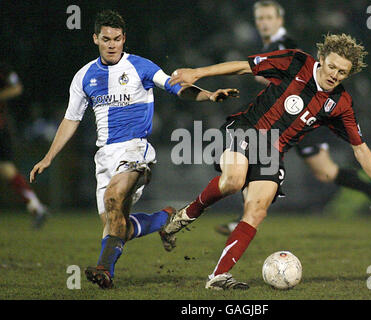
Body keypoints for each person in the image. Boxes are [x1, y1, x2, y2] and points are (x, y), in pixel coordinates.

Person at [161, 33, 371, 290]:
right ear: (321, 58)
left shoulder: (340, 103)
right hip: (247, 127)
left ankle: (218, 277)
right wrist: (198, 73)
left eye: (343, 72)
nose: (335, 75)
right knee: (233, 181)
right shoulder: (296, 61)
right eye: (332, 66)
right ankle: (185, 216)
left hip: (273, 151)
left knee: (257, 209)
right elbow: (245, 66)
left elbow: (360, 148)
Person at [29, 10, 238, 289]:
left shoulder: (141, 67)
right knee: (118, 228)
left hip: (135, 149)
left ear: (124, 38)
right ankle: (163, 218)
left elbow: (177, 87)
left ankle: (105, 270)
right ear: (95, 39)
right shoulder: (83, 77)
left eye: (117, 39)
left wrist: (209, 95)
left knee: (115, 197)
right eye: (106, 39)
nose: (112, 44)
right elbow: (71, 119)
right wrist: (48, 157)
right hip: (104, 155)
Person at [215, 1, 371, 236]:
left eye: (269, 17)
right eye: (260, 18)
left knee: (325, 172)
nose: (263, 23)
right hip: (275, 122)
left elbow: (302, 77)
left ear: (279, 20)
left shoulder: (285, 45)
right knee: (301, 168)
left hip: (299, 120)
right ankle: (245, 217)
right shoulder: (265, 43)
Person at [0, 63, 49, 228]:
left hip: (1, 127)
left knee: (7, 168)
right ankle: (35, 205)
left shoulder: (3, 69)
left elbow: (17, 88)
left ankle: (35, 205)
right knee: (7, 169)